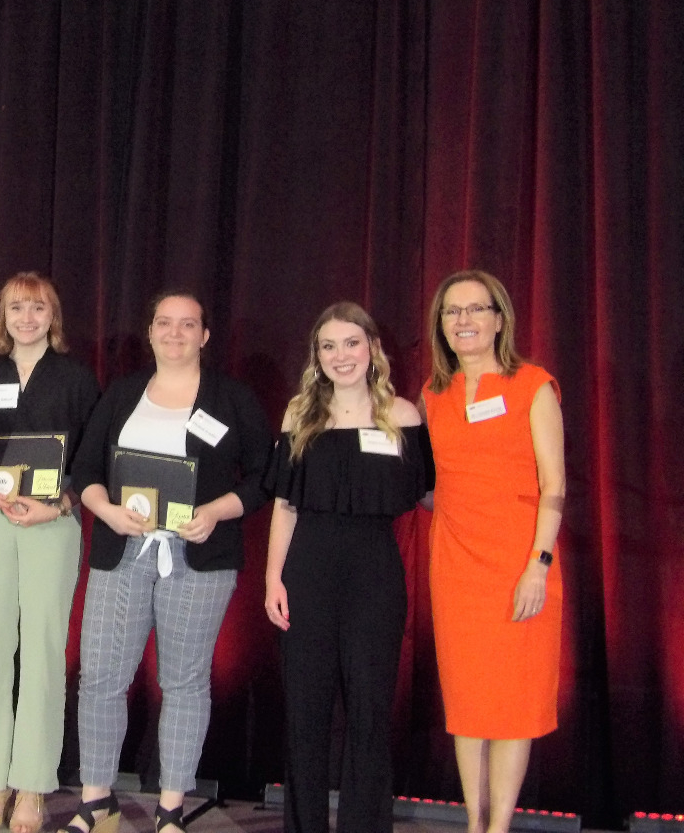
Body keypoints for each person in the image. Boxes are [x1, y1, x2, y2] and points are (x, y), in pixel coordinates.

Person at [64, 291, 273, 833]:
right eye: (164, 323)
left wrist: (217, 511)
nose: (175, 333)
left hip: (198, 556)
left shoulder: (232, 399)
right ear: (150, 332)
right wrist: (106, 510)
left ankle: (171, 809)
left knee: (183, 682)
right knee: (101, 678)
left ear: (205, 336)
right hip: (122, 551)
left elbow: (262, 478)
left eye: (188, 325)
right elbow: (83, 471)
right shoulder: (123, 393)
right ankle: (96, 804)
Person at [263, 302, 426, 833]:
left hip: (375, 575)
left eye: (351, 343)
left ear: (373, 349)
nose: (341, 355)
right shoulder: (298, 415)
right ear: (317, 357)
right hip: (306, 571)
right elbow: (285, 506)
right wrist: (272, 578)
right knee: (305, 716)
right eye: (328, 346)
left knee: (371, 715)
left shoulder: (402, 416)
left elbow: (431, 496)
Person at [0, 273, 102, 833]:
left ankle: (34, 786)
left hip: (50, 524)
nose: (26, 317)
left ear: (52, 317)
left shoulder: (76, 379)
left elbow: (90, 459)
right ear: (3, 317)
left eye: (37, 308)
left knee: (42, 654)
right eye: (16, 307)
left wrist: (61, 504)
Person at [421, 270, 564, 833]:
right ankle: (474, 825)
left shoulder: (532, 384)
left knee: (511, 705)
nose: (464, 321)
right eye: (452, 312)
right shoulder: (433, 395)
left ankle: (498, 827)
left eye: (476, 309)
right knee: (468, 705)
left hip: (520, 562)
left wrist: (539, 565)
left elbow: (554, 484)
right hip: (455, 564)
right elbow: (430, 484)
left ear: (499, 319)